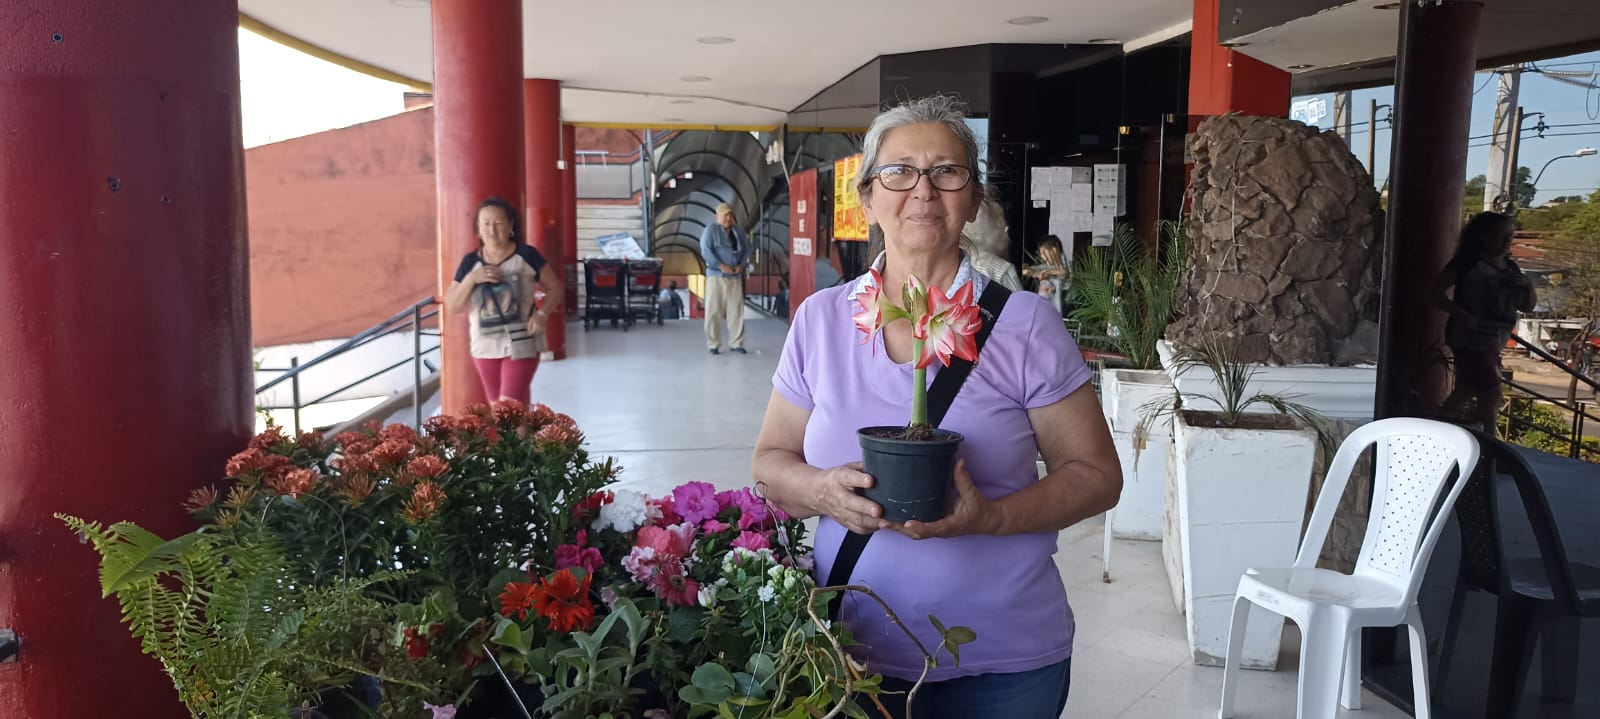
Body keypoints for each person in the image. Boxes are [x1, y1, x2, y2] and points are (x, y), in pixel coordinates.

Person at [751, 95, 1121, 719]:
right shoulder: (821, 320)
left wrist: (991, 518)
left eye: (946, 172)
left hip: (1004, 664)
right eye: (898, 172)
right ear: (868, 198)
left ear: (973, 200)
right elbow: (770, 462)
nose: (922, 190)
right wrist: (822, 492)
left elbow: (1097, 477)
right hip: (845, 653)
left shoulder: (1026, 324)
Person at [443, 197, 564, 403]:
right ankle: (526, 436)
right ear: (478, 229)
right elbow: (453, 305)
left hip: (522, 340)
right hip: (485, 344)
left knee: (507, 408)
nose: (492, 230)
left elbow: (555, 288)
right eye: (486, 224)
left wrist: (542, 314)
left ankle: (519, 434)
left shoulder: (527, 255)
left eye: (499, 223)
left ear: (510, 226)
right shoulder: (470, 262)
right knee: (510, 410)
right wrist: (473, 278)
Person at [1437, 211, 1536, 433]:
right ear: (1483, 237)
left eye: (1510, 237)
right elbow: (1435, 293)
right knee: (1491, 393)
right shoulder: (1466, 263)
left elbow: (1526, 306)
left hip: (1495, 340)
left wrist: (1527, 286)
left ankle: (1442, 432)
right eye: (1502, 236)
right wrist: (1461, 313)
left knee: (1466, 388)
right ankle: (1488, 446)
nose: (1507, 242)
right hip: (1471, 338)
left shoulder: (1510, 268)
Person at [700, 203, 751, 354]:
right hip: (716, 276)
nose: (728, 218)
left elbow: (747, 248)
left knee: (736, 310)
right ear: (718, 216)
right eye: (725, 215)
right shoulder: (711, 231)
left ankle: (736, 343)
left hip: (735, 276)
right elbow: (705, 250)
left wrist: (741, 265)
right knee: (713, 310)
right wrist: (721, 266)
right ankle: (713, 343)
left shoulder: (738, 231)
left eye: (730, 215)